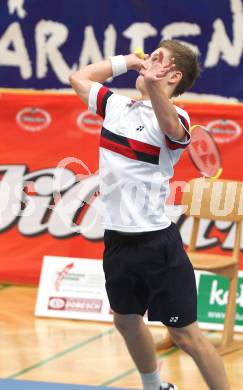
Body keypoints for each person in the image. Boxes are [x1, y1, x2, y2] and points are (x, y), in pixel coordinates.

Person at [69, 39, 230, 390]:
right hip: (117, 241)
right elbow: (78, 77)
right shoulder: (117, 107)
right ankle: (154, 385)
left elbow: (171, 128)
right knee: (125, 321)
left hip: (157, 246)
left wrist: (155, 85)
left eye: (157, 59)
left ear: (173, 75)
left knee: (186, 336)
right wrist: (126, 61)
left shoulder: (177, 119)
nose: (147, 62)